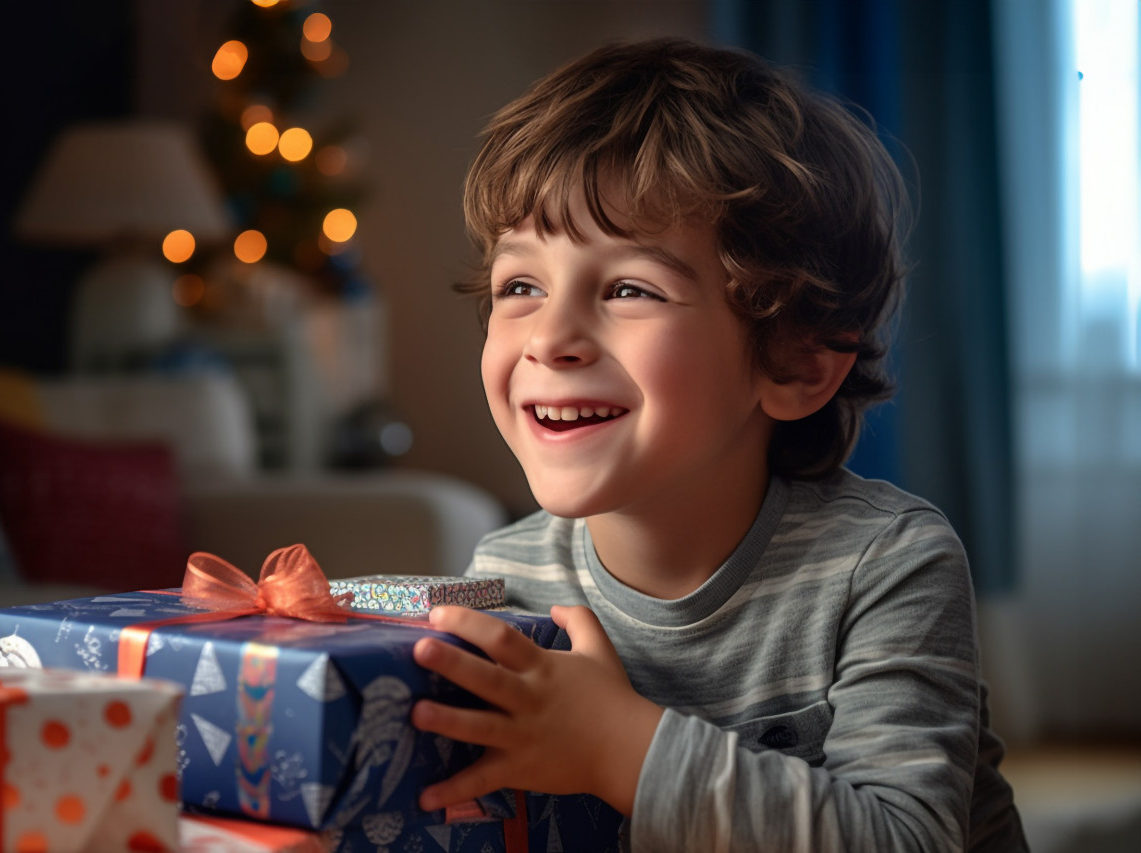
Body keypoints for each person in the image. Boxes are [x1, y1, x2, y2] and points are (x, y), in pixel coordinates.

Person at [407, 36, 1027, 851]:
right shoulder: (505, 579)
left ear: (798, 361)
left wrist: (617, 743)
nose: (549, 337)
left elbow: (906, 838)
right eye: (520, 285)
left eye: (630, 288)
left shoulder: (884, 563)